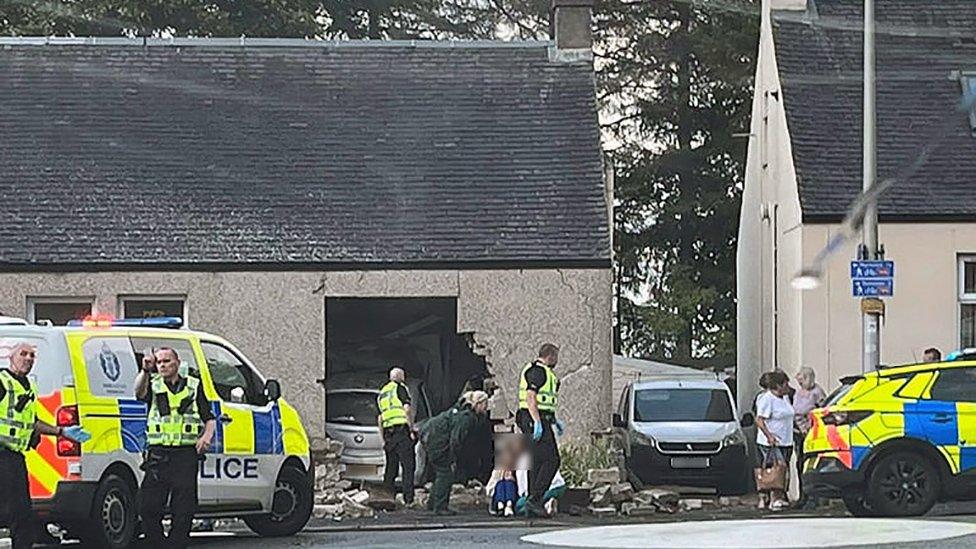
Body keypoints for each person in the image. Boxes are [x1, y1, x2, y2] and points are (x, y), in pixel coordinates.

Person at [0, 342, 90, 549]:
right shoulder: (2, 381)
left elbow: (32, 421)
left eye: (32, 355)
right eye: (23, 354)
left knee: (22, 513)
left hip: (14, 457)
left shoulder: (28, 386)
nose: (28, 359)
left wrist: (61, 432)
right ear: (10, 357)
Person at [135, 347, 216, 548]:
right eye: (159, 362)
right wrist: (145, 370)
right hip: (158, 454)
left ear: (177, 363)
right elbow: (138, 392)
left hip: (185, 454)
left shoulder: (193, 386)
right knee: (148, 506)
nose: (162, 365)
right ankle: (158, 543)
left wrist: (206, 437)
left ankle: (177, 544)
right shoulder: (153, 385)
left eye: (167, 361)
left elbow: (209, 418)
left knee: (184, 507)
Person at [421, 391, 489, 515]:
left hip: (431, 439)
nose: (486, 407)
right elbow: (456, 439)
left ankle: (433, 504)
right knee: (446, 474)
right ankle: (440, 507)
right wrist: (452, 457)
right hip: (438, 443)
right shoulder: (466, 418)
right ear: (478, 403)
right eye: (485, 403)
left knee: (441, 473)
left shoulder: (460, 411)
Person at [515, 343, 563, 518]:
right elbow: (531, 397)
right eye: (556, 357)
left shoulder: (545, 372)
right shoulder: (538, 371)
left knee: (536, 460)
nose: (557, 361)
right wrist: (537, 422)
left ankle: (532, 502)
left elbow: (545, 402)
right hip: (533, 418)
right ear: (550, 356)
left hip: (539, 418)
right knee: (552, 459)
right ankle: (535, 499)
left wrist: (554, 420)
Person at [755, 370, 795, 512]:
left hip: (786, 440)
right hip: (772, 441)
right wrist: (769, 435)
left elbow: (789, 415)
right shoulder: (767, 399)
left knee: (783, 469)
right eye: (785, 384)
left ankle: (778, 497)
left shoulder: (785, 398)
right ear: (777, 386)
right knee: (777, 468)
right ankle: (773, 498)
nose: (787, 387)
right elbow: (759, 420)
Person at [377, 367, 416, 506]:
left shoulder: (382, 393)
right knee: (408, 466)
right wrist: (411, 429)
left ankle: (387, 497)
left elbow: (380, 419)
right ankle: (408, 499)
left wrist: (383, 439)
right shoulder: (400, 388)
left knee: (391, 467)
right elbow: (406, 409)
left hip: (388, 434)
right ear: (400, 377)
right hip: (401, 431)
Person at [792, 367, 826, 508]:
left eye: (801, 380)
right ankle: (802, 496)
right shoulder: (799, 393)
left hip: (811, 433)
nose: (799, 383)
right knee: (799, 464)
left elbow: (823, 410)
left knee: (810, 464)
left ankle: (814, 498)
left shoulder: (817, 392)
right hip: (798, 433)